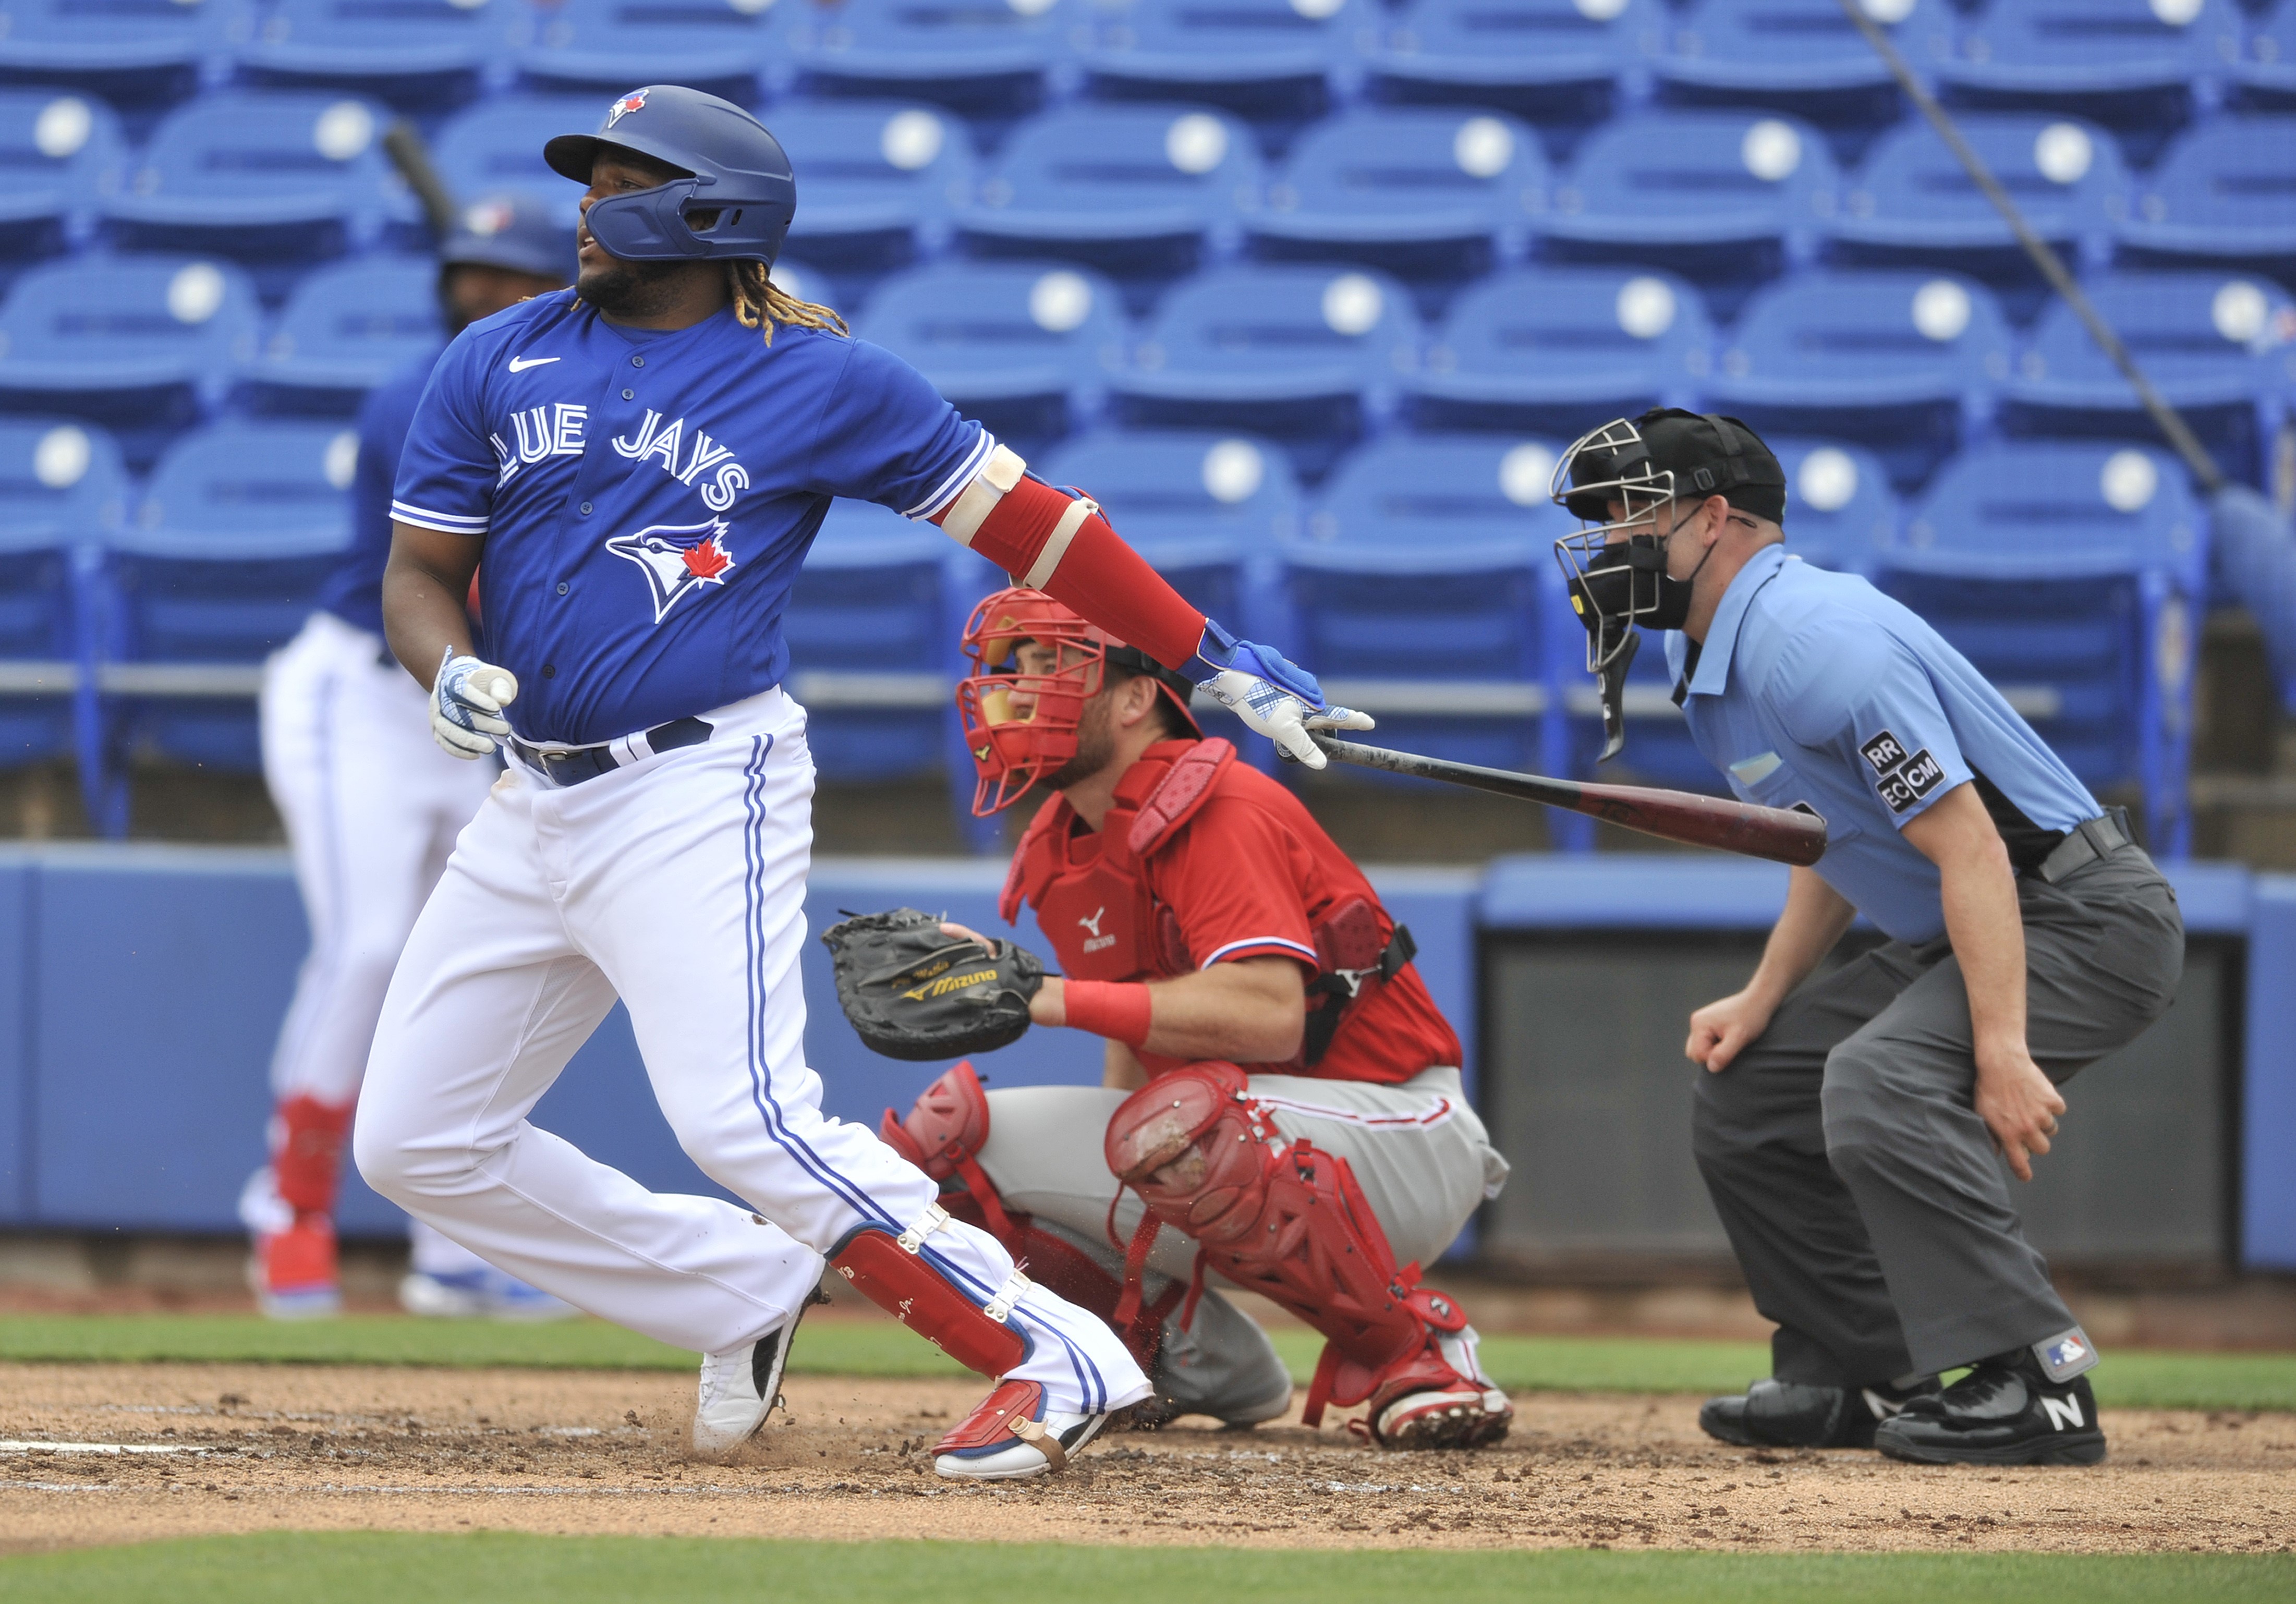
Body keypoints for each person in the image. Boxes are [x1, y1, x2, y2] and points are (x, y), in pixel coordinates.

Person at [351, 84, 1368, 1481]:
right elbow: (417, 574)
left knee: (743, 1117)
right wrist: (444, 664)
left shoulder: (819, 377)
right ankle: (730, 1289)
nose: (587, 208)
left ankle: (1056, 1353)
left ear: (708, 213)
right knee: (416, 1138)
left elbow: (1032, 524)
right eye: (587, 183)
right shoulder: (496, 355)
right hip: (532, 797)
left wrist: (1208, 652)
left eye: (618, 182)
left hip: (696, 785)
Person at [1548, 410, 2184, 1466]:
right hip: (1973, 917)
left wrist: (2002, 1046)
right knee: (1750, 1089)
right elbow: (1835, 843)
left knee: (1879, 1078)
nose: (1613, 539)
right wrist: (1764, 993)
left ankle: (2036, 1377)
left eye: (1632, 514)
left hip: (2080, 913)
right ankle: (1860, 1368)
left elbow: (1973, 847)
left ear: (1715, 519)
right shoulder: (1716, 653)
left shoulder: (1809, 639)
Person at [878, 588, 1514, 1447]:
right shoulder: (1069, 840)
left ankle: (1422, 1349)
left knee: (1188, 1121)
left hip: (1403, 1129)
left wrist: (1044, 995)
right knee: (942, 1149)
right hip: (1247, 1129)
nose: (1020, 690)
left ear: (1138, 696)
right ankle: (1177, 1359)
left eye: (1052, 667)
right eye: (1013, 669)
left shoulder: (1218, 805)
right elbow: (1140, 1053)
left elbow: (1271, 1019)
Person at [242, 193, 575, 1321]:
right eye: (466, 274)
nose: (479, 291)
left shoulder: (582, 397)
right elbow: (463, 574)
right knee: (369, 945)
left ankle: (451, 1249)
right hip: (368, 691)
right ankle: (288, 1209)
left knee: (447, 969)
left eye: (507, 276)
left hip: (475, 709)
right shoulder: (416, 396)